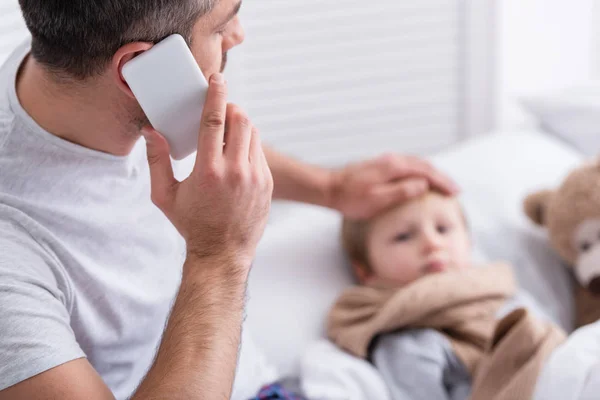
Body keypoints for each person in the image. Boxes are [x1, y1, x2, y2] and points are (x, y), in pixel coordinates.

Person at [0, 1, 458, 399]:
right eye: (221, 26)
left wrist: (329, 188)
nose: (238, 36)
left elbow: (195, 137)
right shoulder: (13, 259)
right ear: (138, 67)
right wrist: (218, 257)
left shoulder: (60, 69)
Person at [327, 191, 563, 400]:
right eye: (403, 236)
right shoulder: (408, 344)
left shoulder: (509, 293)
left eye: (442, 229)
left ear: (469, 243)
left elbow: (566, 350)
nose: (432, 243)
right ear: (365, 270)